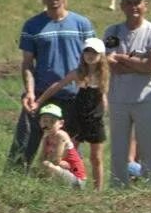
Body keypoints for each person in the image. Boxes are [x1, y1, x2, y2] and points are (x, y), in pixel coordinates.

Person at [9, 0, 94, 167]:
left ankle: (65, 193)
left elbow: (93, 61)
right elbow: (28, 63)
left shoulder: (82, 24)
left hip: (74, 97)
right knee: (22, 149)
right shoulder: (32, 26)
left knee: (66, 155)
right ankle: (12, 187)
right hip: (41, 96)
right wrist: (30, 92)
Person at [103, 0, 151, 187]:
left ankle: (150, 185)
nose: (134, 7)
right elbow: (110, 65)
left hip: (146, 99)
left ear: (145, 5)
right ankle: (118, 186)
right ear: (122, 6)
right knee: (118, 148)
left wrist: (123, 58)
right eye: (129, 2)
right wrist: (140, 63)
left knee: (147, 147)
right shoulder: (112, 31)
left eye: (137, 2)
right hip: (119, 98)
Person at [36, 35, 108, 190]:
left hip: (95, 118)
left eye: (94, 53)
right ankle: (72, 183)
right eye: (87, 52)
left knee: (96, 157)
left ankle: (98, 191)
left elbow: (103, 96)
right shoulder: (78, 73)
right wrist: (39, 101)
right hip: (78, 116)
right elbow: (58, 85)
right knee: (69, 153)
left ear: (101, 55)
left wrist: (104, 111)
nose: (90, 55)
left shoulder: (104, 74)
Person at [34, 103, 85, 187]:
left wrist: (51, 162)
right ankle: (48, 186)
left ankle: (50, 184)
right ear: (40, 122)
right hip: (63, 172)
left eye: (52, 121)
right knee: (36, 169)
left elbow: (56, 160)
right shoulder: (46, 137)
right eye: (44, 121)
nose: (47, 124)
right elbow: (41, 158)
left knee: (46, 164)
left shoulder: (61, 136)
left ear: (61, 123)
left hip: (77, 179)